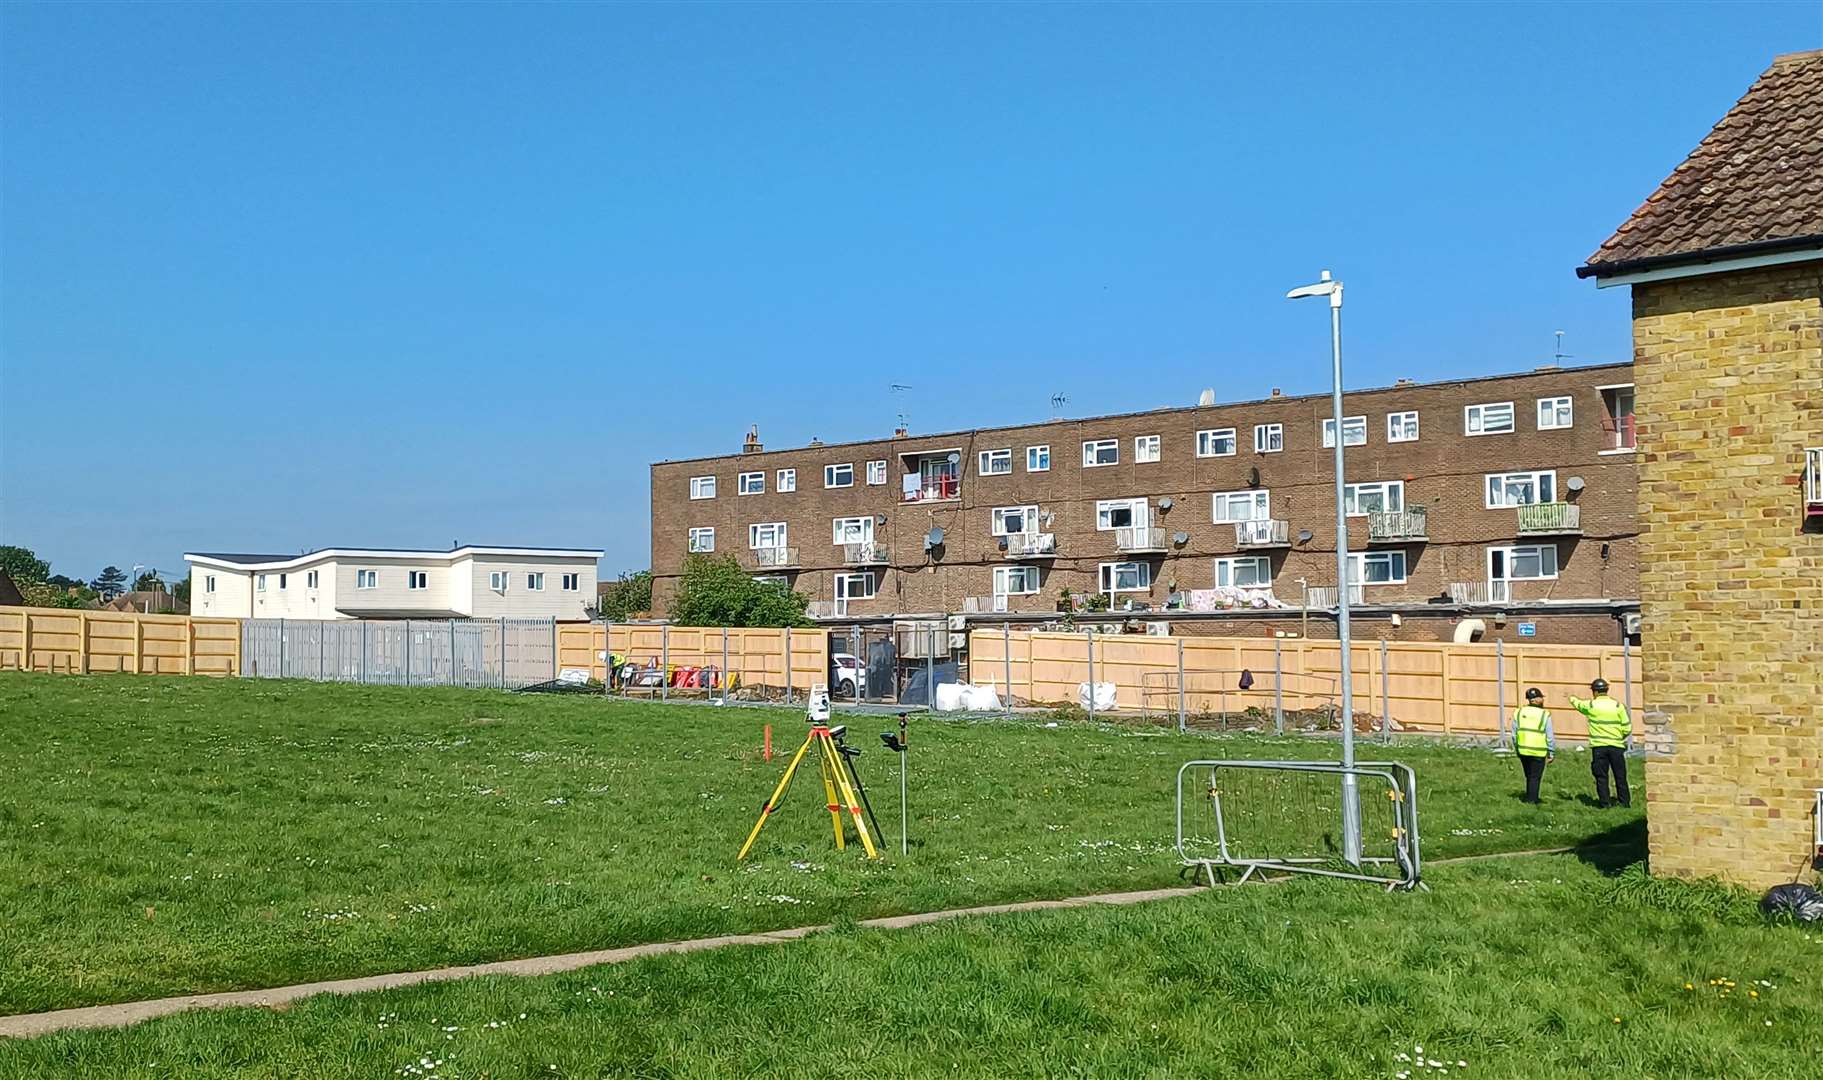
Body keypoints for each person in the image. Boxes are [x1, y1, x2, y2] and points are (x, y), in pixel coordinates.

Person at [1570, 677, 1632, 808]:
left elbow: (1579, 704)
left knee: (1601, 776)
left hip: (1599, 747)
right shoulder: (1618, 706)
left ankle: (1605, 803)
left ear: (1595, 692)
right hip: (1616, 746)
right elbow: (1627, 727)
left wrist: (1571, 698)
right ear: (1607, 690)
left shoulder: (1591, 705)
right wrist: (1620, 737)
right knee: (1620, 776)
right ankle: (1624, 802)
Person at [1512, 687, 1555, 804]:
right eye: (1541, 698)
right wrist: (1551, 752)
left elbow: (1514, 734)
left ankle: (1529, 796)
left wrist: (1517, 748)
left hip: (1523, 750)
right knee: (1535, 777)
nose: (1543, 700)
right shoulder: (1545, 714)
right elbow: (1549, 736)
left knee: (1529, 775)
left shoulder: (1519, 712)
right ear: (1537, 699)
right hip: (1538, 751)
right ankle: (1532, 800)